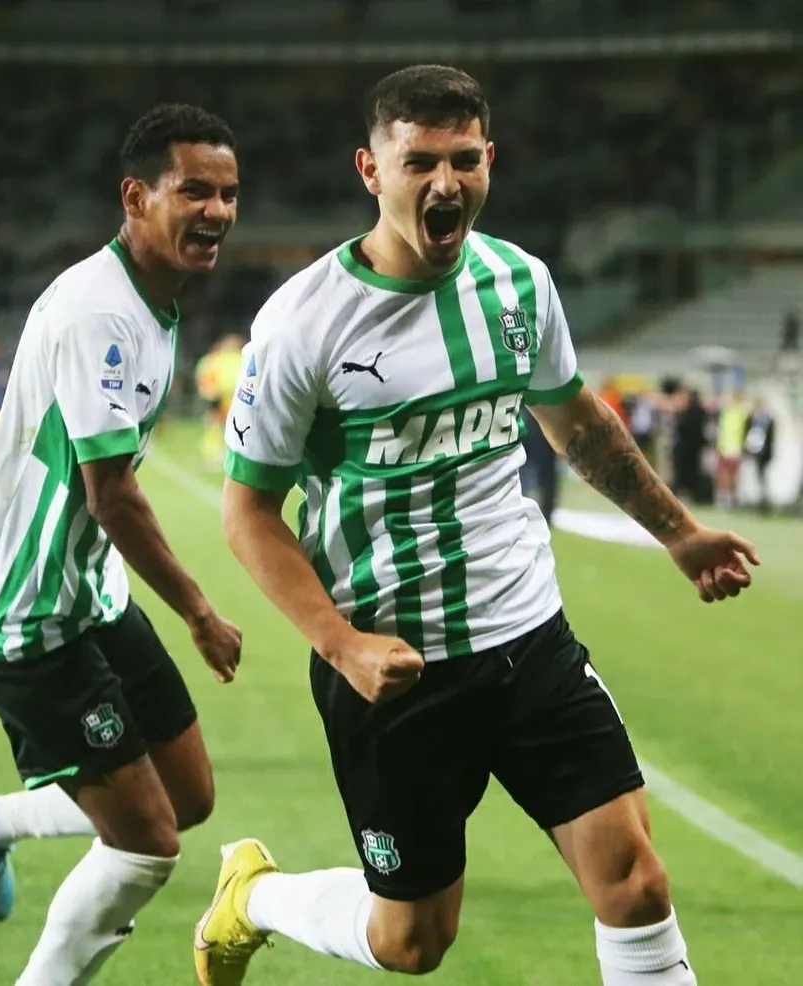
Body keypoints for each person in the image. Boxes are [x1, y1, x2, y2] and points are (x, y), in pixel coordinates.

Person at [194, 65, 759, 986]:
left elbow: (576, 420)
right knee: (412, 944)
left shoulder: (518, 285)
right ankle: (252, 899)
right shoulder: (303, 323)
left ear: (490, 159)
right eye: (419, 162)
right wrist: (341, 645)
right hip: (392, 668)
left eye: (464, 159)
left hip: (528, 635)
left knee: (635, 883)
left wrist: (678, 531)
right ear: (370, 171)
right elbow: (248, 513)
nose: (445, 183)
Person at [0, 103, 243, 986]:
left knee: (190, 797)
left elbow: (29, 438)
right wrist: (201, 612)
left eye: (227, 193)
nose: (215, 210)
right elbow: (113, 496)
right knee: (147, 843)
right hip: (34, 627)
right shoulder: (99, 312)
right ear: (136, 198)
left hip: (87, 594)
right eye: (193, 191)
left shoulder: (153, 300)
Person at [195, 332, 246, 467]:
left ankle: (219, 450)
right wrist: (209, 390)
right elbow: (207, 375)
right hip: (220, 395)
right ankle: (211, 450)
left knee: (226, 424)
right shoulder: (217, 359)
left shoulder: (237, 358)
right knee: (217, 422)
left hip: (231, 396)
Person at [743, 397, 776, 514]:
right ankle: (759, 502)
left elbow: (771, 439)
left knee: (762, 477)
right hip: (754, 452)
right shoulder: (751, 418)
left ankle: (764, 503)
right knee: (757, 477)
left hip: (764, 454)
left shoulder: (768, 420)